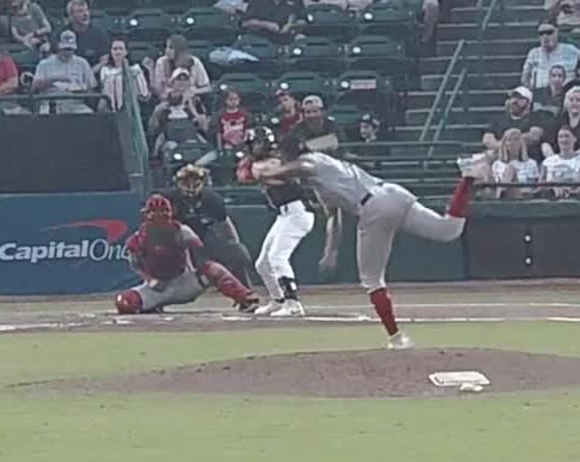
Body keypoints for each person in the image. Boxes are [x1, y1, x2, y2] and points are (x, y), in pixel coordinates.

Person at [246, 134, 486, 349]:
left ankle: (397, 338)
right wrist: (331, 250)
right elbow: (334, 216)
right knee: (448, 230)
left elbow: (293, 169)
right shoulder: (325, 173)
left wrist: (258, 170)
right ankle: (467, 177)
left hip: (374, 208)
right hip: (393, 193)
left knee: (372, 280)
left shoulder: (310, 162)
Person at [113, 194, 261, 315]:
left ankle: (246, 299)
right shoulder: (136, 239)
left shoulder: (182, 231)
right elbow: (135, 264)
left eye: (164, 211)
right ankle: (152, 306)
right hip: (157, 288)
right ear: (146, 214)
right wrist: (150, 279)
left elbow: (200, 254)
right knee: (124, 302)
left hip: (186, 281)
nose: (160, 215)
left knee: (214, 269)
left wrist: (195, 271)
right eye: (155, 212)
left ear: (171, 212)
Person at [238, 127, 331, 317]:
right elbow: (244, 174)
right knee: (262, 264)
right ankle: (277, 300)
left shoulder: (274, 162)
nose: (253, 148)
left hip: (298, 214)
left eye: (255, 144)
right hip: (284, 215)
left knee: (277, 258)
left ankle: (293, 303)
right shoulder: (275, 160)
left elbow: (250, 174)